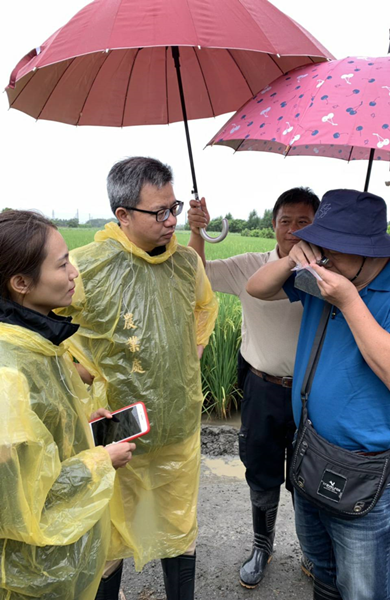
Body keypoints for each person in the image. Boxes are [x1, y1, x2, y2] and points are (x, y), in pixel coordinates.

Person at [246, 189, 390, 600]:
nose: (322, 258)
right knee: (323, 571)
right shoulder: (324, 276)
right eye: (319, 247)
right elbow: (258, 288)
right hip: (309, 447)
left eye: (332, 250)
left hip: (364, 466)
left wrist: (349, 301)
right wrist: (289, 260)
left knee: (363, 589)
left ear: (369, 251)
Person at [58, 157, 218, 600]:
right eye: (159, 212)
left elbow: (205, 307)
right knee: (111, 534)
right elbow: (45, 334)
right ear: (123, 214)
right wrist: (80, 372)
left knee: (177, 524)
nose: (171, 221)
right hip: (117, 425)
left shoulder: (186, 263)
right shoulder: (85, 267)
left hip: (176, 420)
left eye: (175, 208)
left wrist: (193, 349)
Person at [187, 188, 319, 588]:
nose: (293, 230)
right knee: (261, 472)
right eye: (286, 221)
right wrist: (196, 231)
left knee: (309, 477)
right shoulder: (250, 266)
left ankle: (313, 552)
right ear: (273, 225)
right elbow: (198, 277)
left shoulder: (331, 272)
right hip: (262, 387)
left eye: (304, 222)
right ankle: (262, 546)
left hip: (314, 395)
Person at [0, 210, 134, 600]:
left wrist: (81, 426)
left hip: (66, 551)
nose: (74, 272)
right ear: (21, 282)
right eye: (62, 264)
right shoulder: (10, 370)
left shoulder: (41, 338)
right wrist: (100, 460)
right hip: (32, 571)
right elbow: (19, 500)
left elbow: (41, 434)